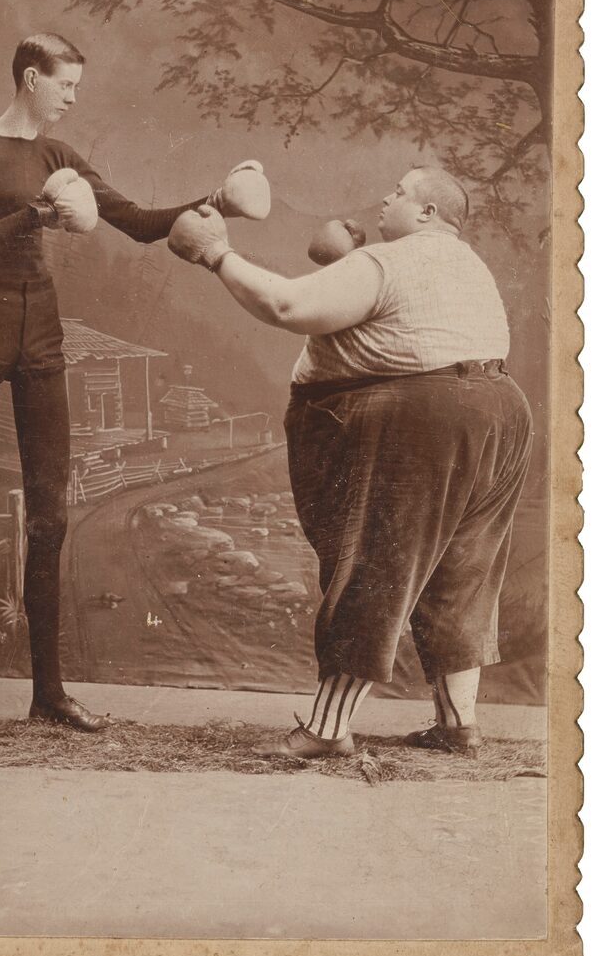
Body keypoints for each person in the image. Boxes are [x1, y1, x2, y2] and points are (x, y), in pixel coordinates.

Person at [0, 31, 269, 741]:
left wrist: (214, 199)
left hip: (41, 333)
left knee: (50, 514)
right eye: (67, 83)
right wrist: (33, 216)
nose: (74, 97)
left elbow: (134, 224)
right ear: (32, 77)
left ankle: (48, 692)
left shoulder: (59, 158)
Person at [167, 166, 532, 758]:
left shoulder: (391, 261)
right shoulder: (466, 264)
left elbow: (285, 306)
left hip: (425, 419)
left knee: (375, 565)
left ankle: (327, 730)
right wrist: (345, 266)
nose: (383, 198)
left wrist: (216, 255)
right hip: (501, 414)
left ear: (428, 215)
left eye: (399, 192)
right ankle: (457, 723)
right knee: (462, 573)